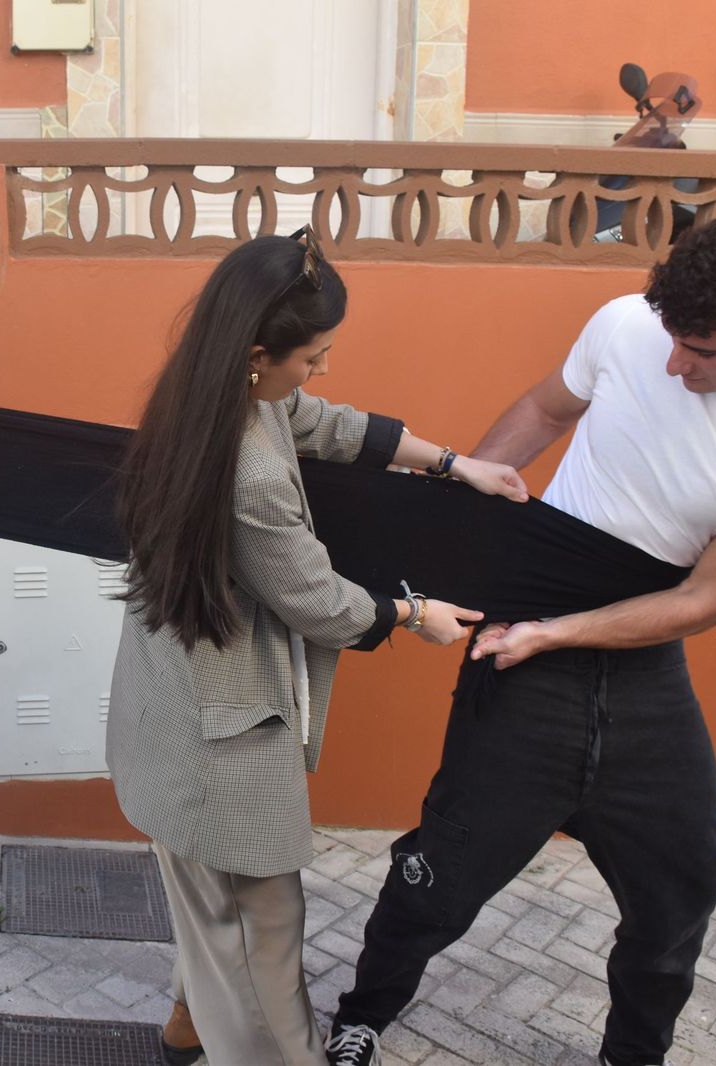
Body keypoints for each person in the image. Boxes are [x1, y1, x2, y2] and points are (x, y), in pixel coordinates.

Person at [327, 209, 716, 1066]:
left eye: (705, 350)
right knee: (442, 873)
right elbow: (545, 406)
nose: (677, 363)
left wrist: (557, 633)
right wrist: (463, 525)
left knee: (683, 885)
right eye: (673, 338)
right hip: (523, 652)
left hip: (639, 669)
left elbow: (702, 600)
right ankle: (362, 1015)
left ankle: (632, 1056)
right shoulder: (626, 325)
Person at [107, 228, 530, 1066]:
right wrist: (415, 615)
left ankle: (187, 1026)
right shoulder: (250, 473)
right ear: (258, 353)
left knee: (210, 903)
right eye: (313, 356)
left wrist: (454, 463)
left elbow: (323, 423)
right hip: (221, 739)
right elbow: (318, 602)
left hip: (170, 707)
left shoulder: (209, 395)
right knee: (261, 929)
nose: (322, 371)